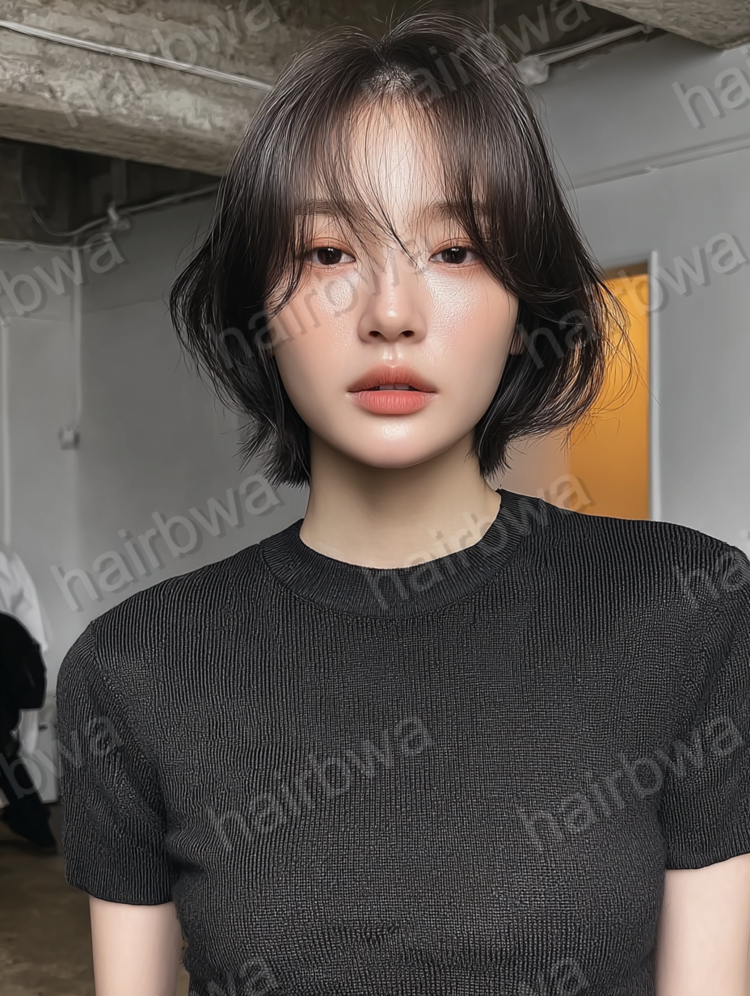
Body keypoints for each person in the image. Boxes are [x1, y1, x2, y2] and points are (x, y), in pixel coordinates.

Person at [56, 13, 750, 996]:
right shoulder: (137, 668)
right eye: (328, 254)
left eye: (455, 249)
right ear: (258, 310)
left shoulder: (690, 607)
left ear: (525, 306)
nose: (391, 312)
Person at [0, 610, 57, 852]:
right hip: (7, 710)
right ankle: (37, 826)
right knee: (11, 771)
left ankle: (37, 827)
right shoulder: (7, 623)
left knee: (10, 772)